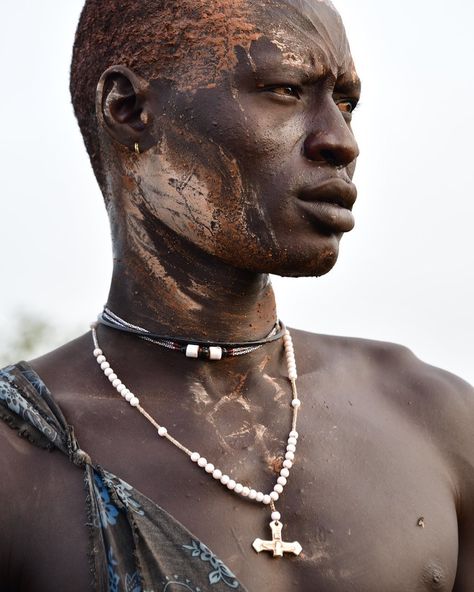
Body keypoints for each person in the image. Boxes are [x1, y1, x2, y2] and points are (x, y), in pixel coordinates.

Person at [0, 0, 473, 590]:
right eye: (285, 89)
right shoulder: (20, 456)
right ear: (129, 109)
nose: (340, 141)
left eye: (346, 103)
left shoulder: (437, 420)